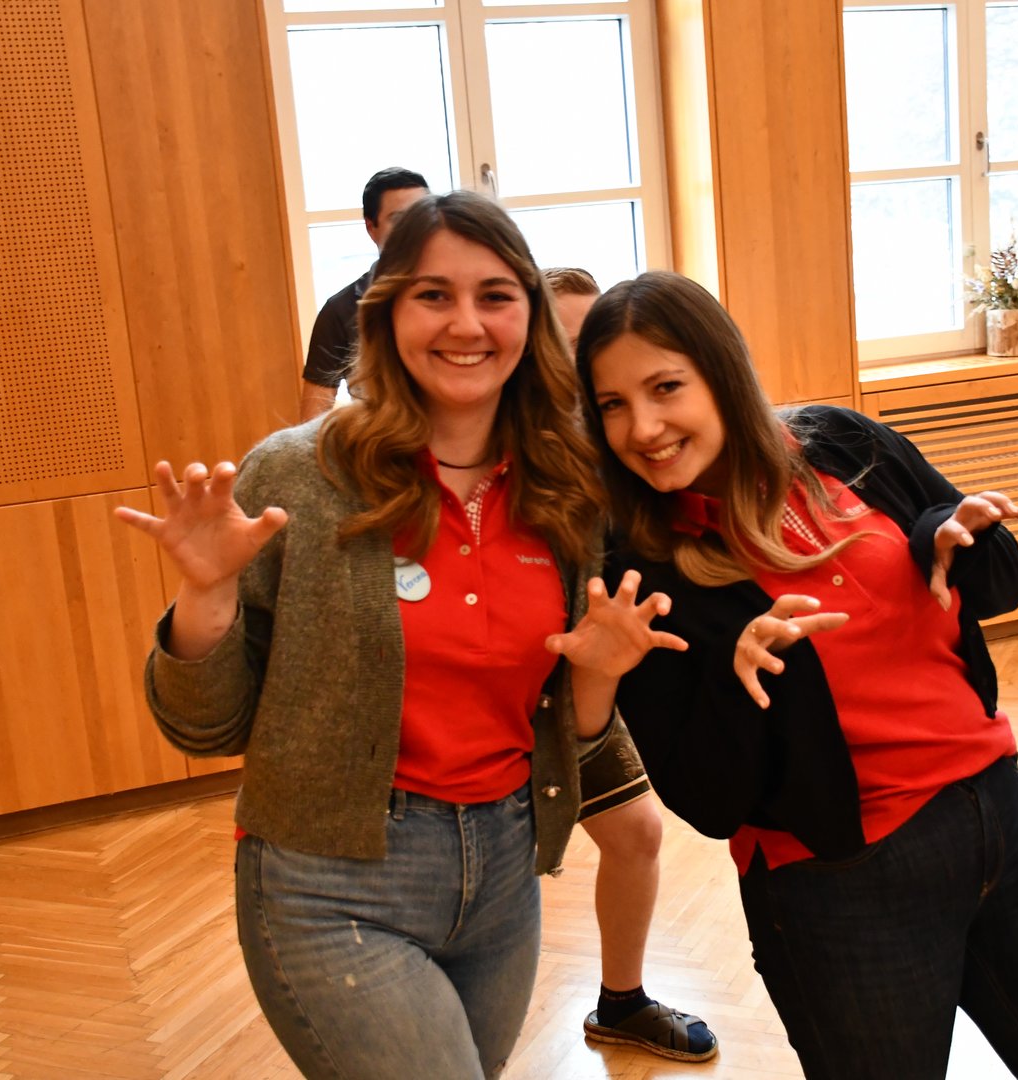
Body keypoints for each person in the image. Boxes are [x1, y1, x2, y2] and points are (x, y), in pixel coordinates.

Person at [116, 190, 687, 1079]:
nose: (466, 323)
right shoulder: (299, 474)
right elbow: (205, 725)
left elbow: (571, 728)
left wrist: (603, 675)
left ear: (530, 319)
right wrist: (207, 592)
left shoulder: (567, 485)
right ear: (386, 314)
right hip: (330, 881)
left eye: (495, 295)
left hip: (505, 874)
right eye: (433, 295)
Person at [557, 269, 1018, 1079]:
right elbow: (708, 803)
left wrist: (956, 537)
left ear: (721, 374)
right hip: (840, 886)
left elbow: (1000, 587)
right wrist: (738, 678)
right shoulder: (637, 565)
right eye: (613, 405)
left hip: (1000, 815)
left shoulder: (842, 441)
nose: (644, 427)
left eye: (665, 388)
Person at [541, 264, 718, 1063]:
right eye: (562, 347)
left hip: (585, 685)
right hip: (502, 697)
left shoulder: (628, 450)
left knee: (637, 832)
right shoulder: (506, 447)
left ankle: (621, 1002)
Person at [299, 166, 429, 420]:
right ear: (371, 227)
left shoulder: (458, 296)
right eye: (399, 220)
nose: (413, 230)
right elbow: (310, 420)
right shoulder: (340, 310)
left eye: (422, 217)